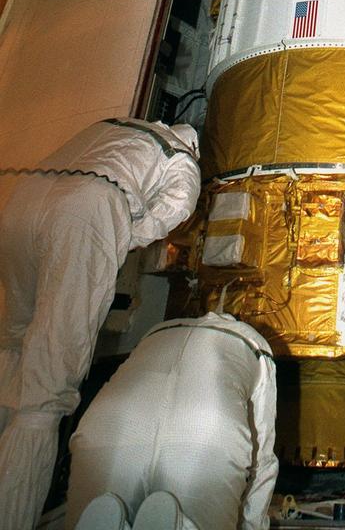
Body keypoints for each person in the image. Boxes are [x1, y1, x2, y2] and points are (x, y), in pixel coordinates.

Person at [0, 117, 201, 530]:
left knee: (13, 344)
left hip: (22, 202)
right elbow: (175, 207)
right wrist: (115, 238)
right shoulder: (181, 155)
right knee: (49, 383)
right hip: (87, 208)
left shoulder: (115, 124)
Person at [67, 312, 278, 530]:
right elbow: (263, 459)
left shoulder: (157, 331)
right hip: (202, 428)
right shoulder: (254, 342)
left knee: (101, 512)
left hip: (112, 422)